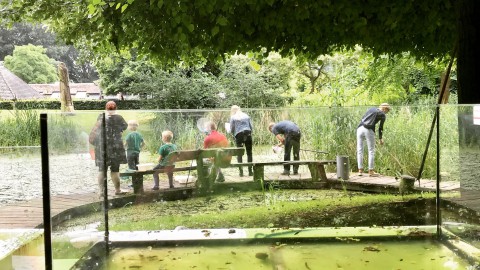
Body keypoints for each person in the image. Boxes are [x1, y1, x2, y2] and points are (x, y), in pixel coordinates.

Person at [92, 101, 128, 196]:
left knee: (102, 169)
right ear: (116, 108)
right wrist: (118, 130)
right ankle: (117, 190)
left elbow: (97, 129)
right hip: (115, 146)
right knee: (115, 169)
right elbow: (125, 126)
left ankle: (101, 192)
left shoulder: (101, 116)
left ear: (106, 108)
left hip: (102, 145)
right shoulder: (119, 118)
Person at [356, 103, 391, 177]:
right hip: (369, 130)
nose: (386, 113)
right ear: (385, 109)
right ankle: (371, 171)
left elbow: (363, 118)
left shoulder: (371, 108)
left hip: (359, 128)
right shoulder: (383, 115)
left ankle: (360, 170)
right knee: (371, 150)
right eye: (387, 111)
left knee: (359, 150)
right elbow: (380, 128)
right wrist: (380, 138)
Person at [229, 105, 253, 177]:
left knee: (239, 153)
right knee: (249, 153)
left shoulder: (233, 117)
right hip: (248, 133)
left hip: (239, 135)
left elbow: (232, 129)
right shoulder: (246, 115)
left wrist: (231, 132)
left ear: (233, 110)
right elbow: (251, 127)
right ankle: (250, 171)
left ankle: (241, 172)